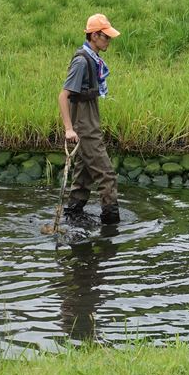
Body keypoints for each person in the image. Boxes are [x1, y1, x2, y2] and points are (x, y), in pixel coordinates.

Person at [58, 13, 121, 224]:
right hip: (84, 126)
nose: (109, 41)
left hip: (89, 121)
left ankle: (73, 215)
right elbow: (63, 96)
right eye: (106, 37)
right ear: (94, 36)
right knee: (107, 175)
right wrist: (69, 129)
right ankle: (111, 226)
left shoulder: (92, 59)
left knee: (84, 176)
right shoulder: (82, 62)